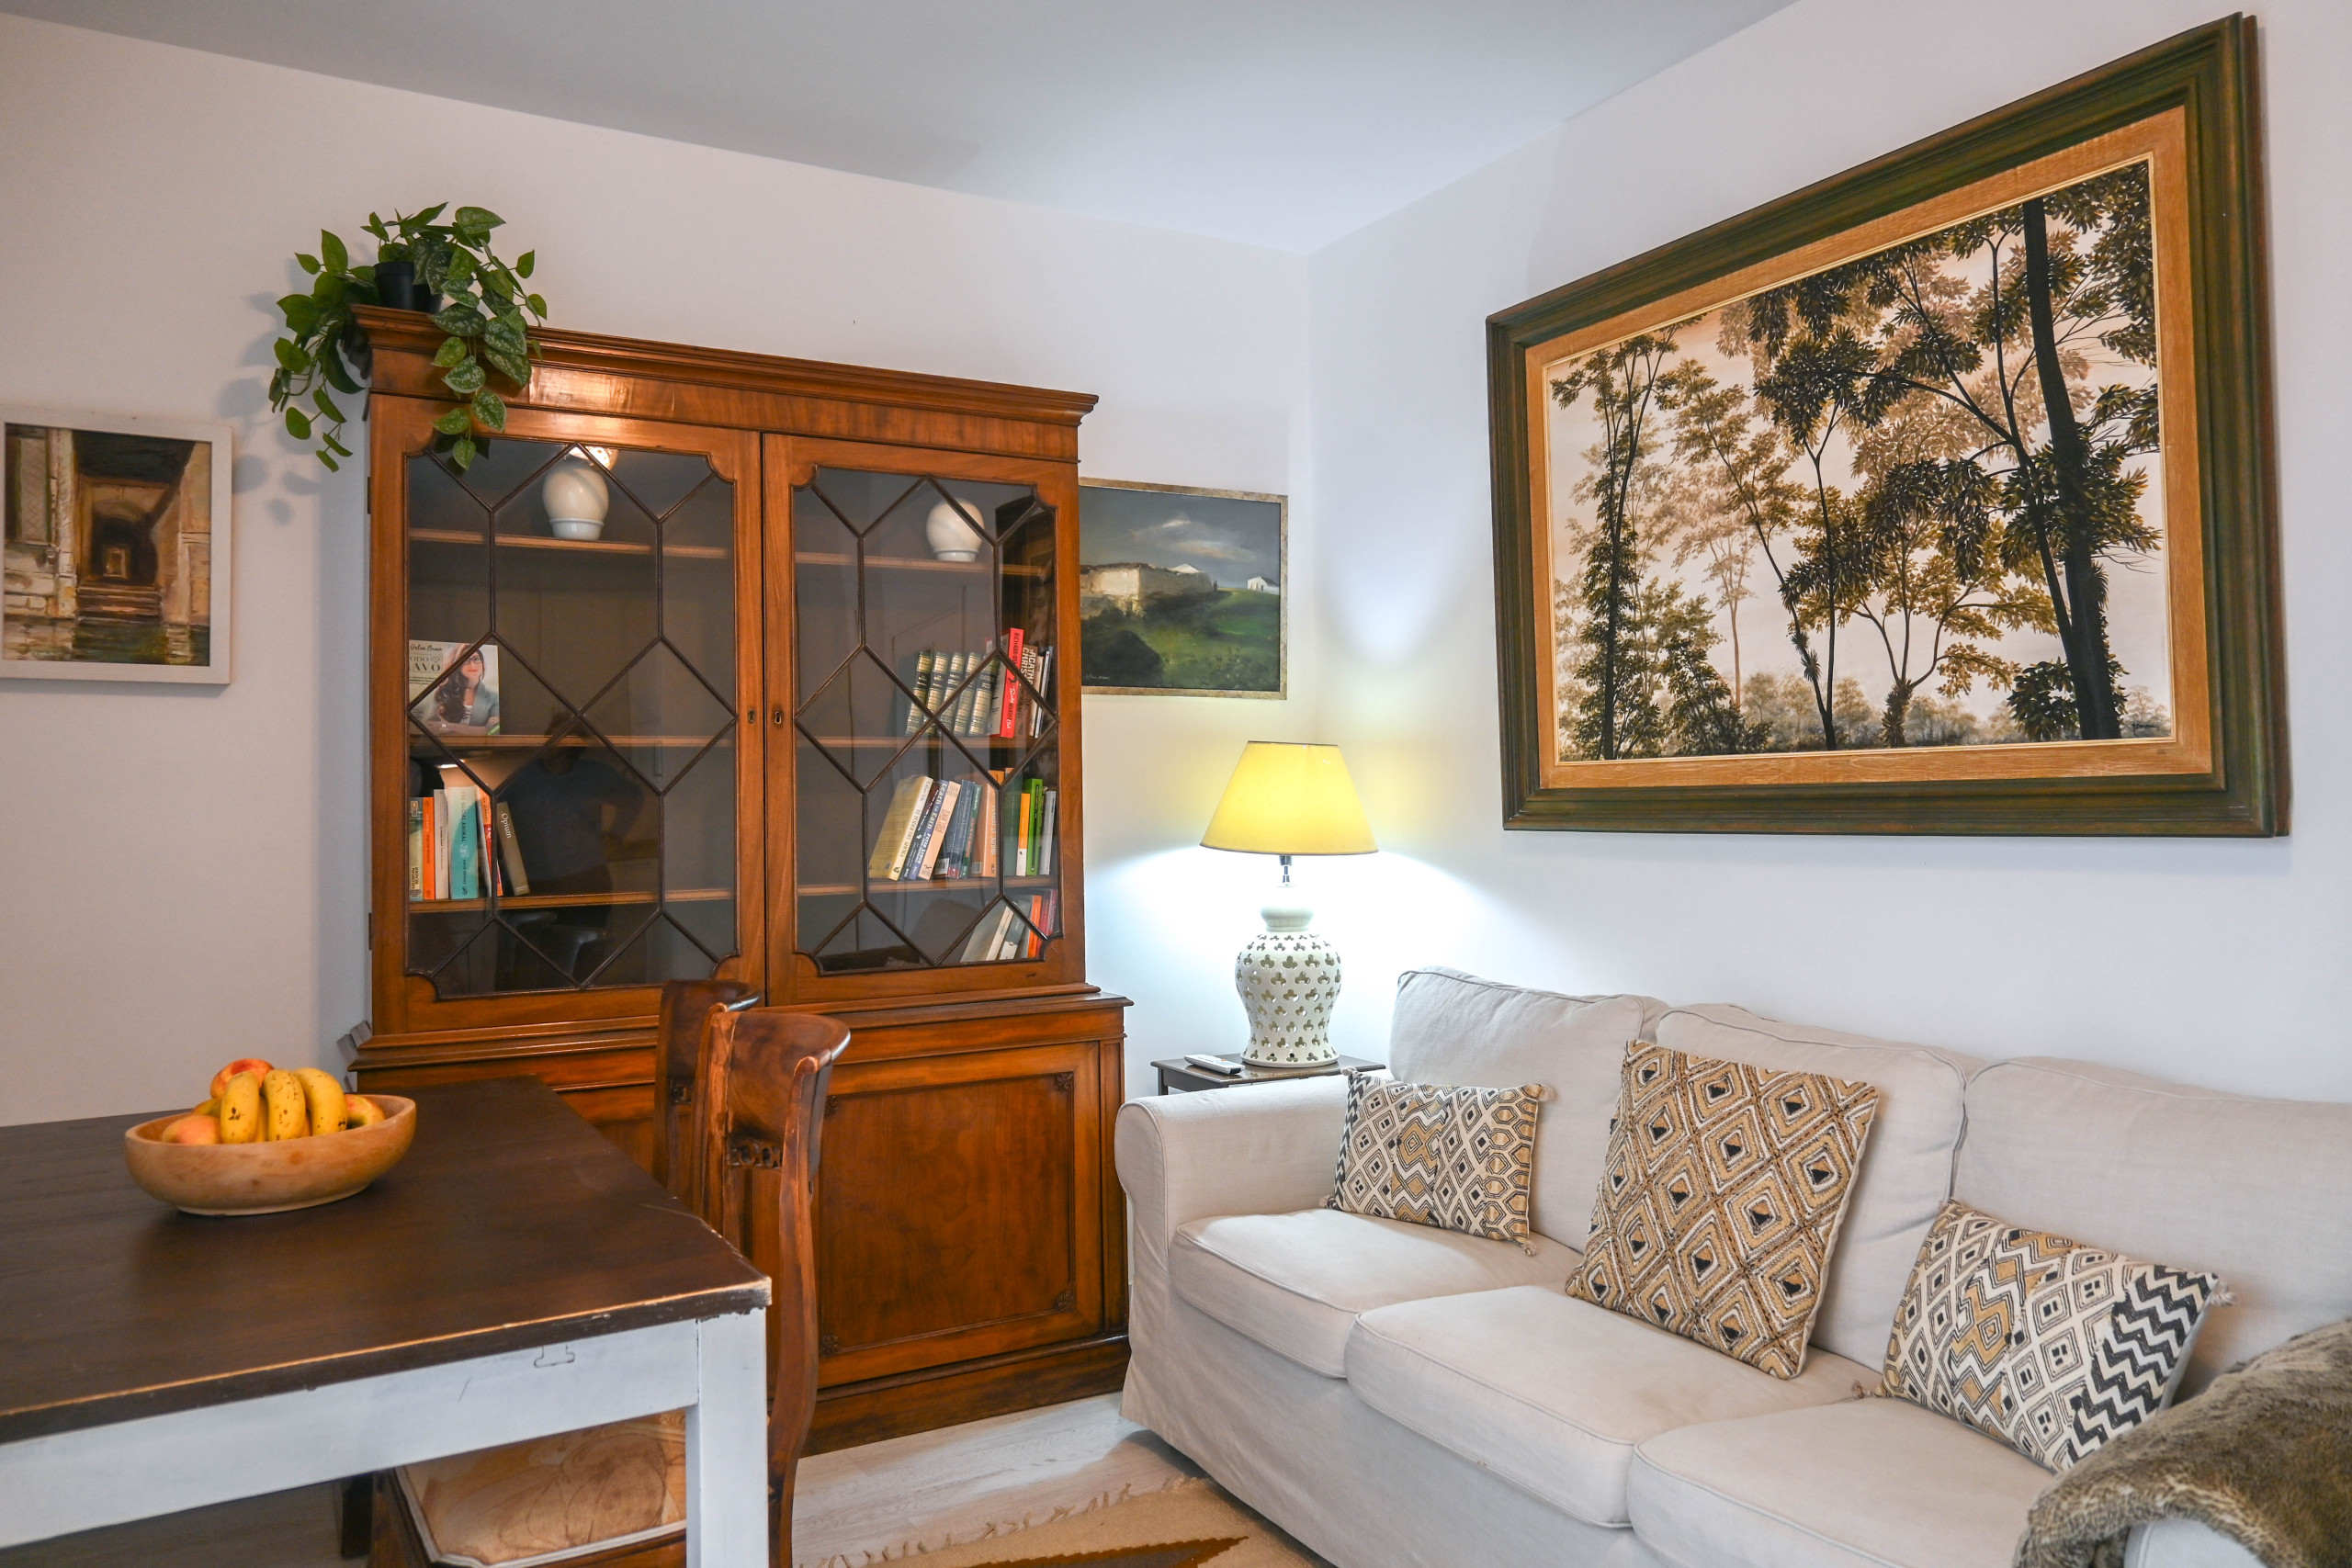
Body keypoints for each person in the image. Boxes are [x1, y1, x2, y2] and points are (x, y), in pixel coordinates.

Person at [434, 648, 501, 731]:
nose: (472, 665)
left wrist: (450, 727)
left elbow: (494, 731)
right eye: (465, 660)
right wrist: (482, 729)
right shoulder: (443, 692)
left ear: (482, 663)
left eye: (476, 659)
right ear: (456, 665)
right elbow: (431, 727)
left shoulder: (494, 696)